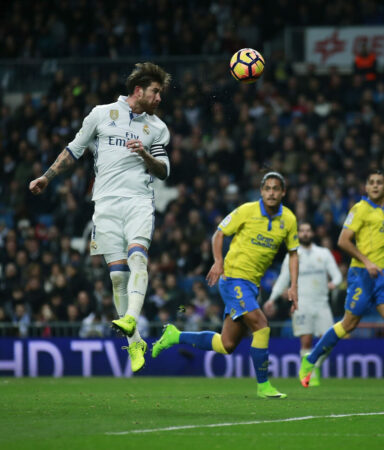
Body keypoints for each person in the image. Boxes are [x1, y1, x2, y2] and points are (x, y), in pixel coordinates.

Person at [29, 62, 172, 372]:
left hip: (138, 201)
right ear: (139, 90)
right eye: (156, 92)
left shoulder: (157, 128)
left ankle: (131, 315)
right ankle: (135, 342)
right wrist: (46, 177)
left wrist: (145, 155)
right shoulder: (101, 114)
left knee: (138, 259)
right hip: (105, 204)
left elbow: (163, 170)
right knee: (118, 276)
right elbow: (74, 150)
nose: (160, 98)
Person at [298, 129, 384, 392]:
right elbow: (343, 241)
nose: (377, 186)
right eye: (372, 183)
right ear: (366, 187)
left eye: (380, 182)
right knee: (349, 324)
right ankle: (310, 360)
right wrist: (367, 262)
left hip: (383, 275)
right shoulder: (359, 209)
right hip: (361, 274)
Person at [152, 172, 299, 399]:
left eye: (276, 189)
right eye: (267, 188)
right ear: (261, 191)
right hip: (233, 278)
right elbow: (219, 233)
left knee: (226, 344)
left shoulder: (289, 220)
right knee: (261, 325)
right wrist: (218, 261)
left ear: (283, 192)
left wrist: (294, 285)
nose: (271, 192)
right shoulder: (246, 210)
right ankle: (263, 386)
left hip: (252, 285)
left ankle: (174, 336)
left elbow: (293, 254)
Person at [266, 222, 342, 387]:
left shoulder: (323, 253)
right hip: (302, 304)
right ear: (298, 234)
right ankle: (311, 374)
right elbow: (283, 279)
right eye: (302, 231)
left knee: (329, 341)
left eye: (308, 230)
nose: (305, 233)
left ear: (312, 233)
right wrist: (272, 299)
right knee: (306, 341)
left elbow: (337, 275)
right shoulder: (293, 256)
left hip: (322, 303)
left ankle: (313, 366)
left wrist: (334, 284)